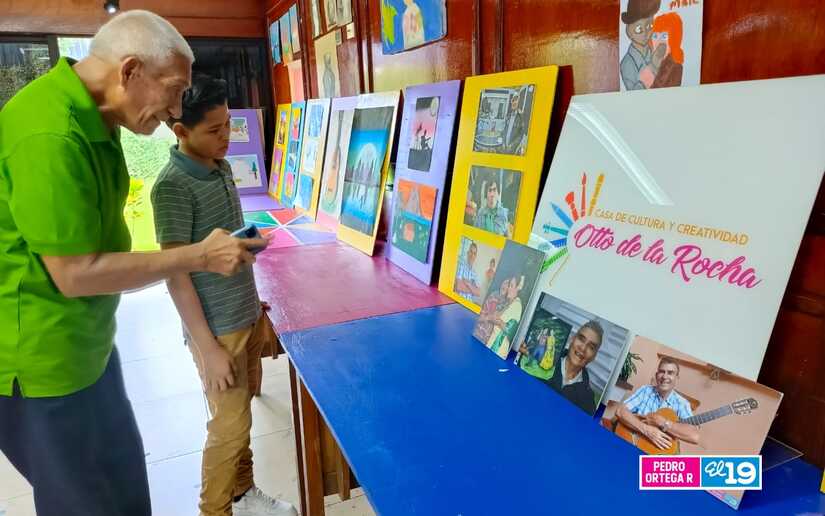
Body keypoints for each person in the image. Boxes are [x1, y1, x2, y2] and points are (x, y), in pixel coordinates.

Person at [0, 10, 266, 516]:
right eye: (174, 90)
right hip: (43, 363)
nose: (175, 110)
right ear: (130, 71)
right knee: (83, 502)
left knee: (125, 488)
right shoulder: (50, 133)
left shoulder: (100, 121)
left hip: (91, 346)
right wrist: (198, 255)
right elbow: (74, 274)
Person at [151, 75, 297, 516]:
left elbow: (225, 245)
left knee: (241, 416)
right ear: (180, 131)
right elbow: (177, 275)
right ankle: (213, 510)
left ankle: (243, 492)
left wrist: (252, 279)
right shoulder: (171, 187)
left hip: (244, 312)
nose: (226, 137)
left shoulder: (221, 166)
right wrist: (208, 348)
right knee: (228, 427)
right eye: (214, 130)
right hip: (216, 330)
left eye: (228, 124)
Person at [616, 357, 701, 450]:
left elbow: (694, 436)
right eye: (661, 372)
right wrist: (646, 430)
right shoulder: (645, 390)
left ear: (677, 378)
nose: (664, 377)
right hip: (630, 442)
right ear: (656, 375)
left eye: (670, 373)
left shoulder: (682, 404)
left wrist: (663, 423)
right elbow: (620, 411)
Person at [545, 320, 604, 414]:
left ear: (594, 356)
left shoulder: (587, 400)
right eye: (581, 339)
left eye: (591, 347)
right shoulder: (544, 359)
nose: (583, 348)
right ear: (572, 339)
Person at [620, 0, 666, 90]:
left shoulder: (653, 51)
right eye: (638, 29)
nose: (645, 33)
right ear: (629, 30)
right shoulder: (627, 64)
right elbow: (635, 93)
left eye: (650, 26)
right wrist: (653, 66)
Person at [487, 275, 525, 358]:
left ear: (517, 288)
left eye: (511, 286)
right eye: (509, 285)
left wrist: (498, 321)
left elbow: (510, 330)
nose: (508, 288)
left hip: (498, 348)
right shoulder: (509, 302)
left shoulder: (517, 305)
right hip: (491, 342)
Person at [650, 12, 685, 88]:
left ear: (674, 38)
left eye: (664, 36)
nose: (658, 41)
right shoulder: (650, 61)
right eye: (655, 36)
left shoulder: (676, 67)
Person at [474, 278, 509, 344]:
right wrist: (490, 318)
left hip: (488, 341)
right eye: (505, 283)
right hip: (479, 335)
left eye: (508, 285)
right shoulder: (493, 296)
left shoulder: (507, 303)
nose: (506, 286)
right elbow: (479, 317)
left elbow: (505, 328)